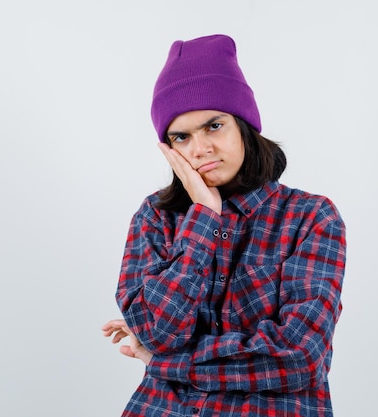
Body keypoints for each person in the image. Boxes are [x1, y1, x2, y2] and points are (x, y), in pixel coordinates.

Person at [102, 34, 347, 417]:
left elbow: (300, 357)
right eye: (181, 137)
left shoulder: (310, 216)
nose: (199, 149)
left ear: (244, 125)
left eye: (214, 126)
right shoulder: (155, 216)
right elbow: (157, 332)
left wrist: (163, 363)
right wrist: (204, 217)